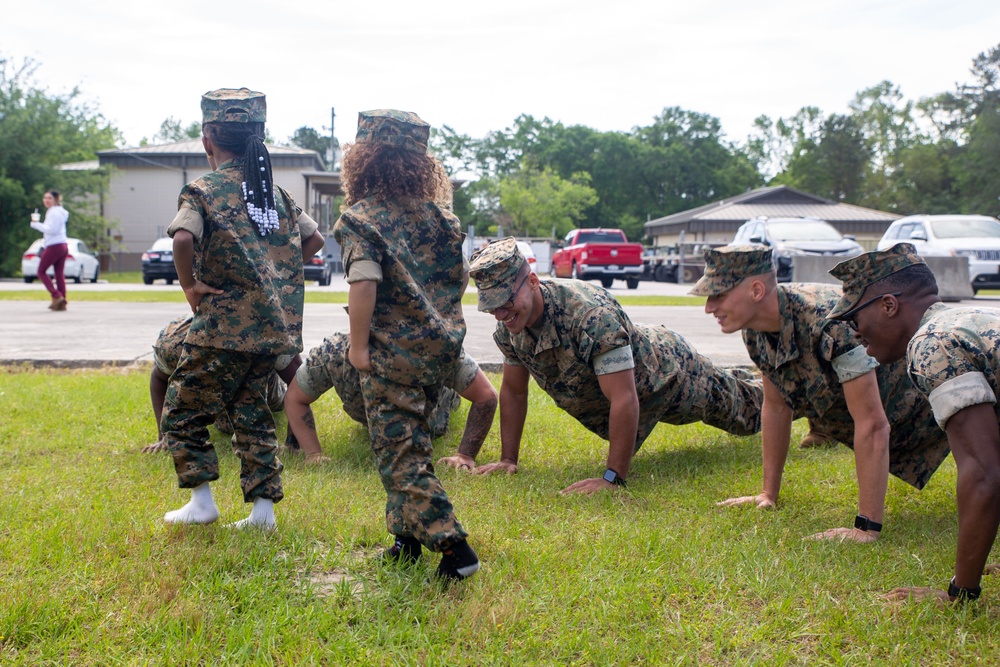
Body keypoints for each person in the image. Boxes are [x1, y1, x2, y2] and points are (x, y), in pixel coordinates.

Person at [467, 237, 763, 495]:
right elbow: (514, 392)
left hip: (670, 376)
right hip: (642, 380)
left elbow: (624, 396)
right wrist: (508, 460)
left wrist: (612, 477)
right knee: (736, 387)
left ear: (532, 282)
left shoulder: (590, 317)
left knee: (747, 412)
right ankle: (757, 381)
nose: (500, 313)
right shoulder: (510, 328)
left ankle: (790, 390)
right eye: (492, 305)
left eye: (506, 300)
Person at [692, 245, 948, 542]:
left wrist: (866, 529)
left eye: (718, 295)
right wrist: (767, 493)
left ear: (757, 290)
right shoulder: (755, 329)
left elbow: (873, 424)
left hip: (931, 411)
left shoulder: (829, 321)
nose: (709, 307)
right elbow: (776, 406)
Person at [159, 88, 325, 531]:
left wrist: (191, 285)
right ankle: (262, 513)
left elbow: (181, 239)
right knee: (251, 413)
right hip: (272, 329)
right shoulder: (274, 194)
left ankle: (201, 502)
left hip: (223, 328)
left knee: (180, 409)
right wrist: (272, 274)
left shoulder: (203, 189)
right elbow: (315, 240)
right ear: (258, 137)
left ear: (207, 138)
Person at [333, 109, 479, 581]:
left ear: (363, 158)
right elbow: (457, 282)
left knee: (400, 455)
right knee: (410, 442)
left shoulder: (362, 219)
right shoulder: (442, 219)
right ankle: (406, 539)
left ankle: (455, 549)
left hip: (391, 356)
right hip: (437, 353)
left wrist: (358, 347)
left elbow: (364, 282)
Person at [828, 243, 1000, 602]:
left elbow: (984, 473)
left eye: (855, 320)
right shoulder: (965, 321)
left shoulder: (931, 344)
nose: (855, 335)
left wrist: (960, 592)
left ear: (889, 305)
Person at [283, 331, 498, 469]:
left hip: (429, 413)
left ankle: (450, 397)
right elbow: (294, 398)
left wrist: (465, 455)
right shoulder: (334, 354)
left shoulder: (433, 348)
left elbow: (486, 396)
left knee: (436, 425)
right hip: (373, 418)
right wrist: (313, 454)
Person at [142, 315, 301, 457]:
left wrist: (292, 443)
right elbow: (159, 377)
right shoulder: (176, 341)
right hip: (212, 392)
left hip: (264, 382)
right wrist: (164, 437)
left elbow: (299, 382)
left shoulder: (269, 334)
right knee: (226, 424)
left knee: (252, 424)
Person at [30, 190, 70, 311]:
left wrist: (35, 224)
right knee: (59, 274)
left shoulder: (53, 212)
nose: (46, 200)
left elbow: (51, 230)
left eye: (49, 198)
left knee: (41, 272)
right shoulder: (60, 212)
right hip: (62, 244)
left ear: (55, 200)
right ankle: (61, 302)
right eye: (45, 198)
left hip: (54, 245)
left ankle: (57, 296)